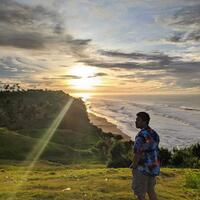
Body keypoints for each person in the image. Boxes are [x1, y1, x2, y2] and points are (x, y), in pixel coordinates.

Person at [130, 112, 160, 200]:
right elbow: (155, 149)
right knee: (151, 190)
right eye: (136, 120)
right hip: (153, 167)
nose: (135, 122)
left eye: (138, 120)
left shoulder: (140, 136)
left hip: (142, 168)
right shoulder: (154, 133)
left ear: (145, 122)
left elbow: (138, 152)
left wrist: (134, 165)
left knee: (140, 194)